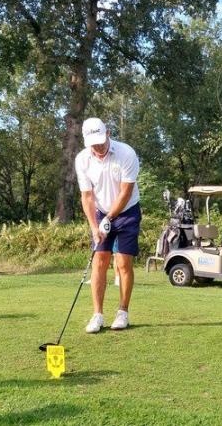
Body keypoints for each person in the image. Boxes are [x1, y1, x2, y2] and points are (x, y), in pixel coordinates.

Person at [75, 117, 141, 333]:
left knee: (122, 264)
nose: (98, 147)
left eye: (101, 141)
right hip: (100, 212)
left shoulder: (126, 153)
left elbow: (125, 192)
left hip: (127, 212)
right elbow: (87, 197)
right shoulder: (82, 160)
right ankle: (98, 315)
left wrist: (109, 218)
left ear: (108, 133)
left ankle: (122, 312)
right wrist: (95, 226)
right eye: (93, 143)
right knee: (99, 262)